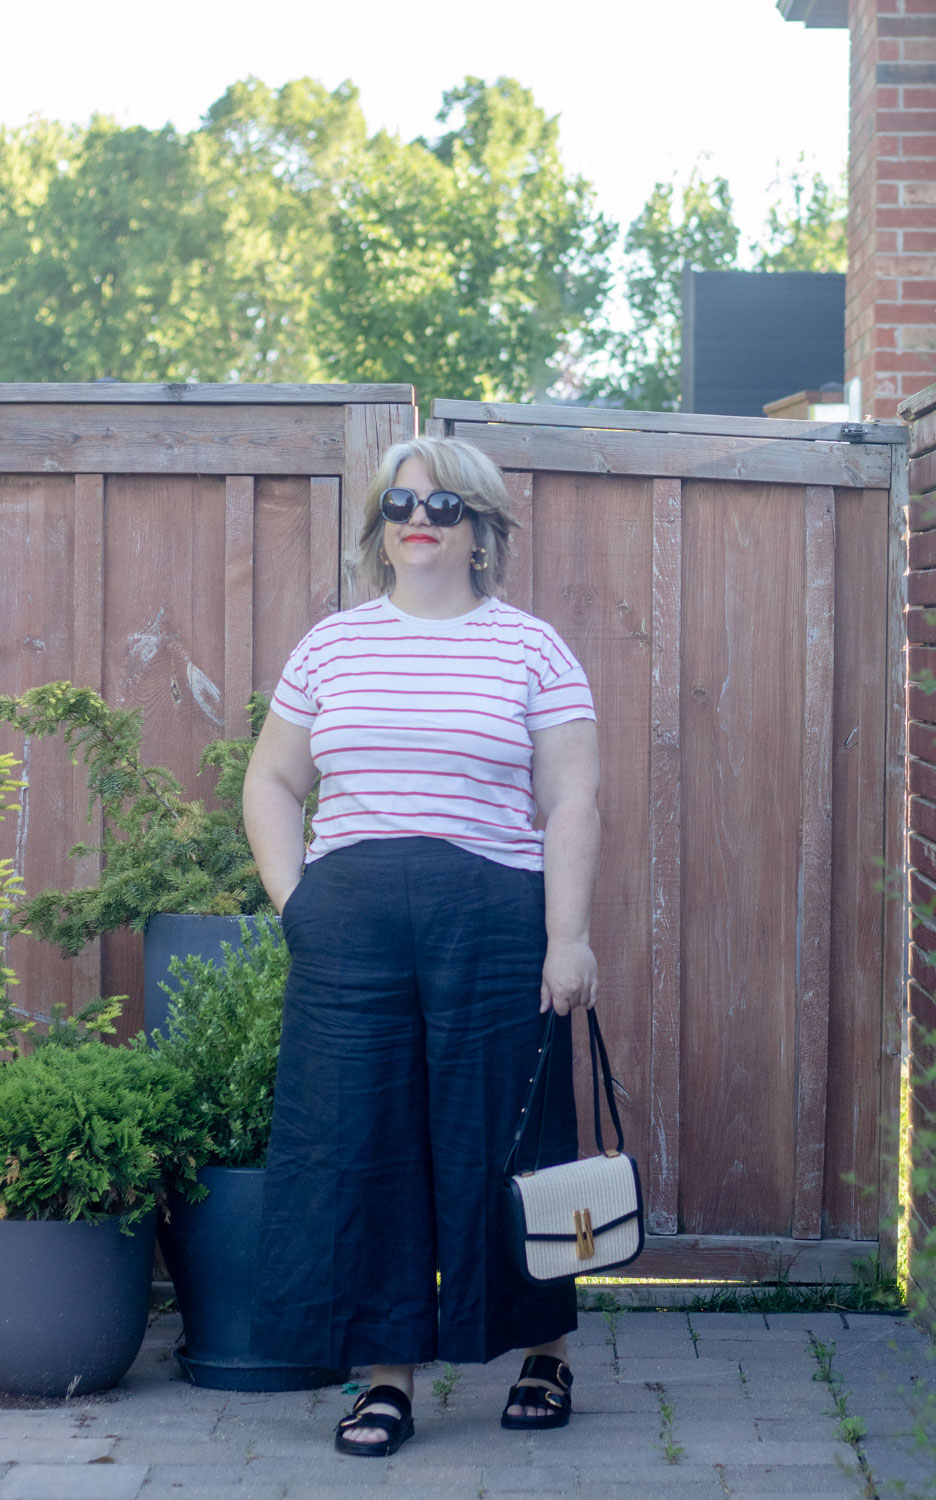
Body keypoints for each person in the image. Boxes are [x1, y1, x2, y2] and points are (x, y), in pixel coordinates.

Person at [244, 436, 600, 1456]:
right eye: (401, 503)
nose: (419, 519)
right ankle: (384, 1377)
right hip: (349, 925)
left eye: (444, 507)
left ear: (482, 531)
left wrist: (567, 938)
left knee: (509, 1140)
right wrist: (295, 903)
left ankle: (544, 1352)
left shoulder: (531, 648)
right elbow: (271, 782)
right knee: (358, 1141)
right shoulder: (331, 647)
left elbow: (572, 799)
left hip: (492, 922)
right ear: (378, 526)